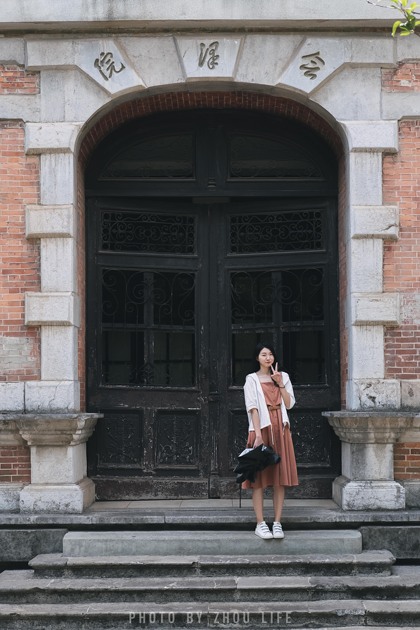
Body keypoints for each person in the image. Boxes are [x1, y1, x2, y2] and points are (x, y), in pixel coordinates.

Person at [242, 342, 298, 539]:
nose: (268, 358)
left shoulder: (283, 377)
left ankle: (277, 522)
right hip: (261, 429)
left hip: (281, 430)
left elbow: (289, 404)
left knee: (279, 479)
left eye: (270, 354)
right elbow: (253, 408)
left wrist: (279, 382)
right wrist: (258, 435)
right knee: (258, 480)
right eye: (263, 354)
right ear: (257, 358)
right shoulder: (251, 379)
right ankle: (260, 523)